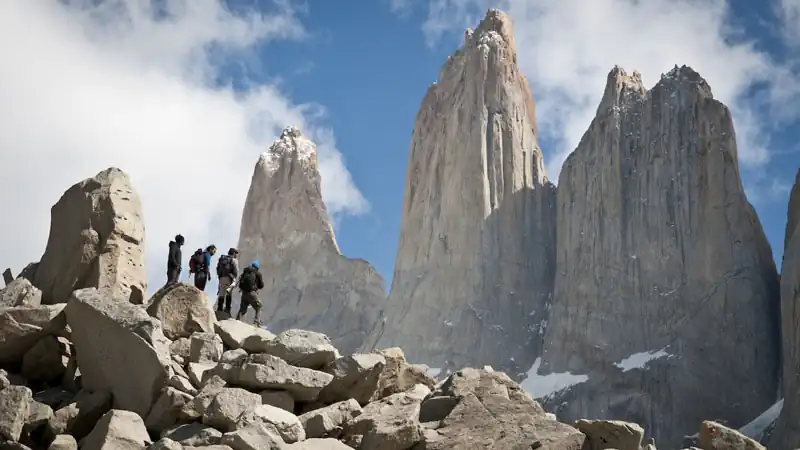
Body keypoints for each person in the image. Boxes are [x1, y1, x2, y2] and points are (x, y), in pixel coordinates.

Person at [236, 261, 265, 326]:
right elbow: (261, 285)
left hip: (244, 293)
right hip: (251, 293)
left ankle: (237, 321)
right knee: (259, 306)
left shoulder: (246, 272)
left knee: (243, 309)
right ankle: (256, 322)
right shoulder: (257, 273)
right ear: (257, 268)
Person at [216, 248, 240, 314]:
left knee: (221, 294)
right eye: (236, 253)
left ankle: (219, 309)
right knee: (229, 294)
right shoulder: (234, 260)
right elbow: (236, 271)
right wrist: (234, 278)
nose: (236, 255)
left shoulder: (222, 259)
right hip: (229, 279)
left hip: (221, 279)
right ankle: (227, 310)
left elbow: (217, 269)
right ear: (234, 253)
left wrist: (220, 277)